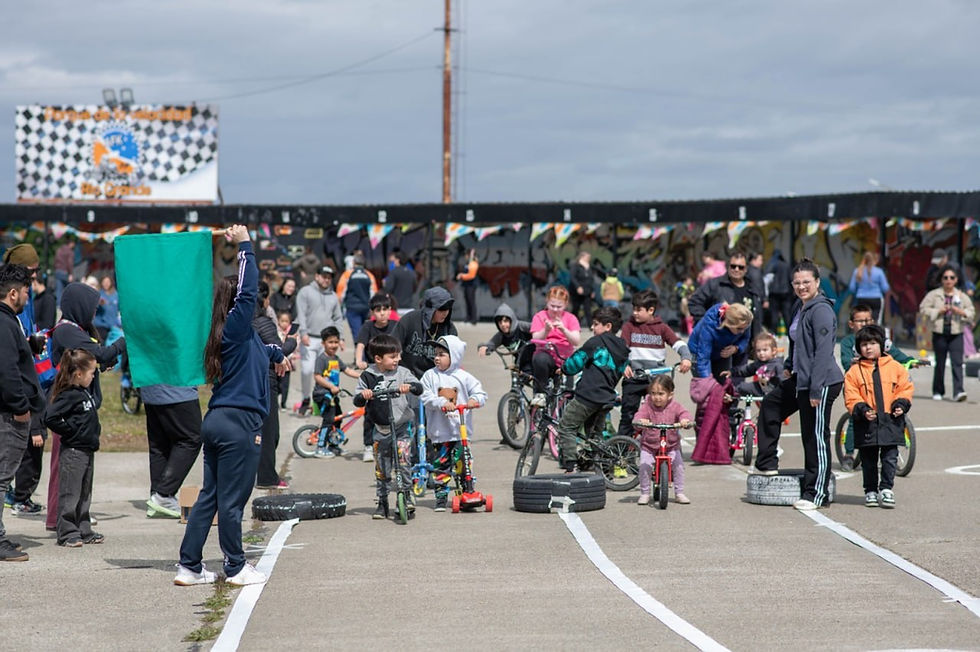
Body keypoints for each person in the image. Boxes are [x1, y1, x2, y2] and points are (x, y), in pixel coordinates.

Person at [175, 224, 288, 587]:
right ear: (237, 301)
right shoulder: (236, 328)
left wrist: (280, 353)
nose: (255, 301)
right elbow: (249, 288)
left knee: (210, 497)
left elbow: (264, 351)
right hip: (239, 425)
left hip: (219, 421)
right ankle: (236, 566)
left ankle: (189, 566)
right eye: (246, 298)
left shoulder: (239, 336)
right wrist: (245, 245)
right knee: (232, 501)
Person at [754, 259, 844, 511]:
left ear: (817, 282)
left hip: (821, 381)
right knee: (771, 405)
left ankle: (817, 494)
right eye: (797, 283)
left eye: (806, 282)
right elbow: (797, 340)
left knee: (814, 437)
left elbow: (823, 353)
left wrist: (816, 389)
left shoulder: (821, 310)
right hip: (801, 377)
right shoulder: (800, 305)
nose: (802, 286)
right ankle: (767, 463)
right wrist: (789, 363)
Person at [44, 281, 127, 532]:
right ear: (78, 306)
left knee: (77, 468)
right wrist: (125, 340)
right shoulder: (66, 330)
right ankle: (59, 518)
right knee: (65, 466)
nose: (93, 313)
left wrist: (100, 363)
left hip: (79, 407)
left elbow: (93, 358)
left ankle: (74, 515)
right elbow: (100, 353)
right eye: (91, 308)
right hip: (67, 408)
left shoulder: (76, 329)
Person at [0, 263, 43, 561]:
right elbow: (6, 370)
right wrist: (20, 407)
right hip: (8, 415)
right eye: (26, 290)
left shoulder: (7, 321)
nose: (29, 295)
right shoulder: (4, 323)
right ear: (13, 293)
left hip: (10, 411)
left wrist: (29, 345)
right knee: (2, 477)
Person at [843, 324, 913, 509]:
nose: (868, 348)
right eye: (864, 344)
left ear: (882, 345)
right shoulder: (854, 372)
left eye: (873, 343)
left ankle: (886, 488)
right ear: (858, 348)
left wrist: (901, 404)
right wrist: (862, 409)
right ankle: (870, 491)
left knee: (890, 458)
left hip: (891, 421)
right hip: (867, 422)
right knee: (868, 460)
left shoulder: (896, 367)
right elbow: (851, 395)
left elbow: (905, 388)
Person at [353, 334, 421, 520]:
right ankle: (382, 501)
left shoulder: (403, 372)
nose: (397, 359)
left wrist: (410, 387)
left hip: (402, 427)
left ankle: (406, 495)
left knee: (403, 462)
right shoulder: (368, 375)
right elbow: (357, 400)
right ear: (378, 359)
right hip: (381, 430)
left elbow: (418, 387)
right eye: (393, 356)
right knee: (382, 468)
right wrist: (364, 395)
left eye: (398, 355)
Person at [555, 306, 629, 473]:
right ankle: (602, 467)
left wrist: (564, 369)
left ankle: (570, 466)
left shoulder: (596, 343)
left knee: (566, 426)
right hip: (606, 397)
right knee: (595, 434)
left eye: (596, 324)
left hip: (588, 396)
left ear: (608, 326)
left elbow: (577, 361)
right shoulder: (623, 349)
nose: (592, 328)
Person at [43, 349, 103, 547]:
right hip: (73, 452)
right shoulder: (68, 395)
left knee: (85, 494)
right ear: (78, 374)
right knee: (71, 493)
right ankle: (67, 532)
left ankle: (83, 529)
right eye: (91, 373)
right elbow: (50, 416)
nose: (93, 376)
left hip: (87, 450)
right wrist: (70, 432)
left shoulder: (83, 392)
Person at [420, 335, 487, 511]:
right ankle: (441, 497)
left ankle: (467, 491)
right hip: (439, 433)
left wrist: (474, 400)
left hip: (460, 432)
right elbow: (425, 396)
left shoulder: (464, 377)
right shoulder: (430, 376)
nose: (436, 358)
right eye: (435, 354)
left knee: (464, 463)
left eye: (442, 354)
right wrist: (442, 402)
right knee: (441, 466)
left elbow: (480, 393)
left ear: (454, 356)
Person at [617, 289, 692, 439]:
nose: (635, 313)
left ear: (651, 310)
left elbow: (678, 343)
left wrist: (686, 358)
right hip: (634, 378)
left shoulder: (661, 328)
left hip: (655, 381)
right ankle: (622, 446)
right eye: (634, 309)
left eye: (639, 310)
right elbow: (621, 349)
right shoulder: (629, 327)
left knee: (659, 414)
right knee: (628, 415)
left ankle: (657, 444)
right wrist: (624, 365)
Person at [687, 303, 752, 464]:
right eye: (739, 329)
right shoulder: (710, 325)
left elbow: (746, 339)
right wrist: (709, 384)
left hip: (722, 354)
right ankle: (703, 445)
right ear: (728, 323)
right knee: (707, 400)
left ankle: (721, 441)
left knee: (724, 398)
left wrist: (736, 348)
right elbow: (703, 357)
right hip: (699, 354)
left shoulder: (744, 320)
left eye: (744, 328)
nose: (742, 331)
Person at [254, 281, 297, 489]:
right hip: (265, 380)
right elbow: (277, 350)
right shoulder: (263, 322)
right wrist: (292, 340)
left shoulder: (235, 320)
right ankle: (266, 477)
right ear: (264, 299)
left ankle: (257, 472)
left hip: (246, 379)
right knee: (270, 432)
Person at [142, 384, 203, 518]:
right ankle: (163, 494)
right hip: (177, 386)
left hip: (150, 387)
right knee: (191, 439)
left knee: (160, 444)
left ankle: (157, 497)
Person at [633, 375, 694, 505]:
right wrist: (641, 421)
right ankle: (645, 493)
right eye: (653, 393)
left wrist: (685, 420)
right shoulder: (647, 406)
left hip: (671, 445)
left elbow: (684, 414)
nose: (657, 397)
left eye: (661, 394)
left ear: (670, 394)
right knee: (644, 466)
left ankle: (679, 492)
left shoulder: (675, 406)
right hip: (649, 446)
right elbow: (639, 415)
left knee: (678, 466)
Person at [919, 265, 975, 402]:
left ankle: (958, 391)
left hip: (956, 333)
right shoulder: (934, 294)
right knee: (940, 362)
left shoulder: (961, 296)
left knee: (957, 363)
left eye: (952, 277)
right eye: (945, 278)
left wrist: (960, 312)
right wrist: (938, 311)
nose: (948, 280)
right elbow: (923, 308)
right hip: (939, 332)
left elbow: (971, 312)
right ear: (941, 279)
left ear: (956, 280)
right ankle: (938, 390)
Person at [354, 293, 399, 461]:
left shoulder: (396, 326)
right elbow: (361, 345)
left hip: (392, 371)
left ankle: (396, 443)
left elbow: (401, 345)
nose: (382, 313)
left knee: (395, 408)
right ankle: (368, 445)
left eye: (385, 309)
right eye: (378, 310)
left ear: (390, 310)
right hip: (374, 371)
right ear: (372, 312)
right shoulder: (368, 327)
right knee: (371, 410)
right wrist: (359, 360)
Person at [295, 265, 344, 416]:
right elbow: (301, 314)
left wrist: (341, 337)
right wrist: (303, 332)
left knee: (325, 373)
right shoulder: (305, 292)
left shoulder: (333, 296)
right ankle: (305, 398)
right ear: (317, 276)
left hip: (326, 341)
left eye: (329, 277)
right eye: (324, 276)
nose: (326, 280)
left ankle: (321, 402)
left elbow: (338, 317)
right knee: (307, 370)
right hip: (309, 337)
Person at [688, 252, 763, 344]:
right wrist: (707, 324)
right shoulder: (715, 284)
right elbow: (694, 302)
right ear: (728, 267)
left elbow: (757, 318)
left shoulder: (752, 288)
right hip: (719, 343)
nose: (736, 269)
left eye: (741, 267)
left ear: (746, 269)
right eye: (733, 266)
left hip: (744, 345)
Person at [526, 286, 582, 406]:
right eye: (552, 306)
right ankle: (540, 394)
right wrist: (546, 330)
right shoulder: (540, 316)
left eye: (559, 306)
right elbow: (535, 339)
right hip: (547, 357)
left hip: (565, 359)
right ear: (547, 302)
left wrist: (564, 330)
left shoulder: (571, 318)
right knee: (539, 359)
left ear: (565, 304)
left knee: (567, 395)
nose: (555, 309)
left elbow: (576, 341)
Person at [312, 326, 361, 458]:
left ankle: (333, 445)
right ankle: (320, 447)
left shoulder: (336, 359)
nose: (333, 345)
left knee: (338, 418)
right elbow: (317, 376)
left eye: (336, 342)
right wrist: (330, 386)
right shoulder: (322, 359)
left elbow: (347, 370)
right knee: (329, 419)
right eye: (330, 342)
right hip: (323, 394)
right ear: (323, 343)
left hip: (333, 395)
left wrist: (361, 376)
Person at [393, 286, 458, 379]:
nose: (445, 313)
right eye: (441, 309)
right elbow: (392, 346)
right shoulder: (409, 320)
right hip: (406, 377)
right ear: (430, 309)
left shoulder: (449, 328)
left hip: (436, 378)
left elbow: (454, 358)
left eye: (448, 308)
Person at [336, 253, 378, 341]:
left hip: (352, 308)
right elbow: (373, 293)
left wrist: (340, 307)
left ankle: (359, 348)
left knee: (357, 333)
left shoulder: (347, 274)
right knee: (365, 332)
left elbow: (341, 293)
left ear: (353, 262)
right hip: (365, 308)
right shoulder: (369, 275)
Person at [730, 331, 784, 397]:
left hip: (774, 391)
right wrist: (731, 372)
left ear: (774, 351)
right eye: (758, 350)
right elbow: (746, 369)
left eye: (765, 350)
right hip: (760, 389)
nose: (761, 353)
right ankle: (729, 396)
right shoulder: (759, 363)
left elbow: (783, 380)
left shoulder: (778, 365)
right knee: (741, 387)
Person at [848, 252, 890, 322]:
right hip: (876, 299)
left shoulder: (857, 271)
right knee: (875, 321)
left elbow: (851, 288)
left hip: (861, 299)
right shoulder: (879, 272)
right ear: (873, 260)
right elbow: (885, 288)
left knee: (862, 320)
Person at [764, 248, 794, 333]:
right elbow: (791, 279)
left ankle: (773, 332)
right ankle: (790, 333)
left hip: (774, 293)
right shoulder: (786, 265)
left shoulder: (771, 264)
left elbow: (766, 278)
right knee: (787, 314)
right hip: (786, 293)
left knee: (774, 314)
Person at [275, 311, 299, 409]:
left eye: (286, 321)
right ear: (278, 321)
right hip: (278, 363)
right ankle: (275, 402)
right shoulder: (275, 333)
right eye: (282, 321)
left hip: (288, 364)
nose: (284, 323)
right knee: (277, 384)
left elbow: (295, 346)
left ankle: (283, 403)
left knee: (285, 385)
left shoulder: (292, 334)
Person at [384, 252, 417, 316]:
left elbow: (389, 288)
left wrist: (385, 284)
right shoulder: (412, 273)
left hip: (397, 307)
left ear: (398, 260)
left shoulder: (394, 272)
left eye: (394, 260)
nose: (394, 262)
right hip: (409, 307)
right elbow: (414, 288)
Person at [567, 252, 595, 323]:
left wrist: (592, 290)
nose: (589, 259)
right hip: (577, 291)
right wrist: (578, 287)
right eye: (587, 257)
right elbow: (573, 278)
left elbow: (591, 280)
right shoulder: (576, 266)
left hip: (587, 291)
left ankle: (590, 325)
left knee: (587, 309)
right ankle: (572, 323)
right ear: (582, 257)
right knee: (576, 308)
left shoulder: (589, 267)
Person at [93, 275, 122, 342]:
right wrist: (99, 303)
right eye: (104, 282)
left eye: (108, 282)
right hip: (100, 325)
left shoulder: (116, 295)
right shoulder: (98, 294)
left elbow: (119, 310)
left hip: (113, 326)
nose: (106, 284)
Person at [455, 248, 480, 324]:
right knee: (467, 301)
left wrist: (461, 275)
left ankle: (473, 318)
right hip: (466, 284)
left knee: (471, 301)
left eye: (466, 255)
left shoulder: (473, 263)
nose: (465, 256)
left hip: (471, 285)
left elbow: (471, 275)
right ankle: (468, 317)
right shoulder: (468, 263)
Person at [53, 238, 75, 307]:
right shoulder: (70, 252)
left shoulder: (59, 250)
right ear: (71, 243)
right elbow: (69, 263)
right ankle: (68, 304)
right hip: (65, 272)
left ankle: (58, 305)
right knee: (70, 289)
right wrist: (71, 273)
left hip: (57, 271)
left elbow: (55, 260)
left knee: (58, 289)